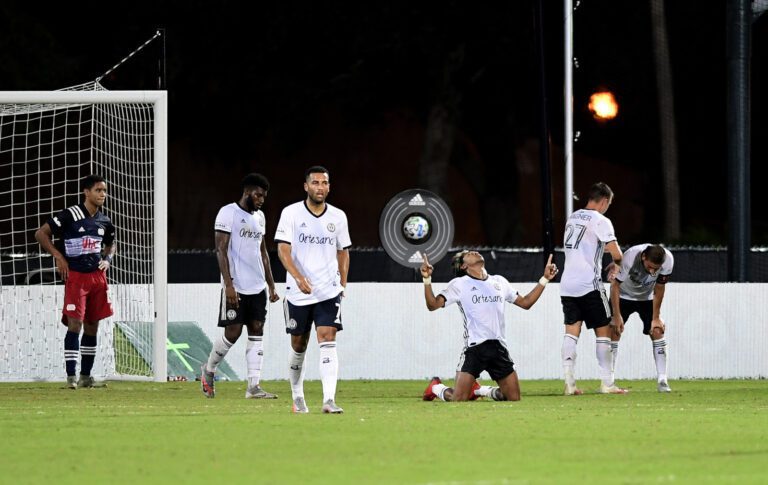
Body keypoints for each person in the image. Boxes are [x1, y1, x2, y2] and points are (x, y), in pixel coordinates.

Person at [420, 250, 559, 402]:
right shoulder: (459, 284)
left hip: (498, 347)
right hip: (475, 349)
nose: (473, 251)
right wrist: (427, 279)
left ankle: (480, 390)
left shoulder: (499, 281)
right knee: (458, 399)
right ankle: (435, 387)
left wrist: (545, 279)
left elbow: (526, 303)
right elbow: (432, 305)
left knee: (513, 398)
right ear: (464, 266)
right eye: (468, 253)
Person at [275, 166, 351, 414]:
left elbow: (343, 251)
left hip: (328, 291)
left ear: (329, 187)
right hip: (298, 292)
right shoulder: (291, 213)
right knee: (299, 344)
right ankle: (298, 397)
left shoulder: (338, 217)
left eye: (325, 183)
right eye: (316, 183)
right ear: (306, 186)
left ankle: (329, 400)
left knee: (328, 338)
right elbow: (282, 250)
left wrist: (342, 284)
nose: (321, 187)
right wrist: (297, 278)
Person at [200, 173, 280, 399]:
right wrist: (229, 285)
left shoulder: (260, 217)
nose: (261, 199)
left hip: (257, 287)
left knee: (257, 331)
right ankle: (209, 370)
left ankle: (253, 387)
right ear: (247, 192)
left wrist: (271, 286)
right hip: (236, 286)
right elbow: (221, 250)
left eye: (264, 196)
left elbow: (263, 252)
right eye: (258, 195)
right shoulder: (228, 213)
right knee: (232, 333)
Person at [35, 174, 115, 389]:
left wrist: (107, 259)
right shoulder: (71, 214)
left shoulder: (104, 220)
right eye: (98, 190)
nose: (102, 194)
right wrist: (59, 257)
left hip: (97, 278)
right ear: (86, 192)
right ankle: (71, 377)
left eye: (104, 191)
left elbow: (111, 243)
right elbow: (41, 234)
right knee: (75, 323)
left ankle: (85, 377)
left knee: (92, 326)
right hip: (76, 277)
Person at [559, 182, 625, 395]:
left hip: (568, 284)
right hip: (589, 284)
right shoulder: (601, 220)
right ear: (604, 201)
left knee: (571, 332)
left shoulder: (573, 217)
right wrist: (616, 265)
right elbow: (617, 254)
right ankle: (607, 383)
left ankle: (569, 384)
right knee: (603, 331)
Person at [609, 244, 674, 392]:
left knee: (657, 330)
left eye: (656, 269)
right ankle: (609, 381)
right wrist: (617, 315)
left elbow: (659, 287)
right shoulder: (630, 257)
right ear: (643, 257)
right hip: (623, 295)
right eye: (650, 267)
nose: (652, 272)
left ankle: (662, 380)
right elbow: (615, 286)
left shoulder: (668, 260)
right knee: (613, 331)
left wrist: (656, 317)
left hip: (647, 297)